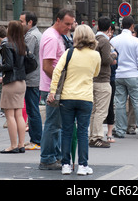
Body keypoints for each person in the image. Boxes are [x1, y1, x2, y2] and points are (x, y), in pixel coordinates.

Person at [47, 24, 101, 175]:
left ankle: (66, 164)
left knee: (66, 131)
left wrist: (52, 91)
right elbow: (95, 73)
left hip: (67, 97)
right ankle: (83, 166)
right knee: (83, 132)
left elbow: (57, 72)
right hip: (85, 98)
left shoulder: (69, 52)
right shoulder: (95, 55)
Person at [39, 8, 75, 170]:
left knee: (56, 124)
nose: (69, 27)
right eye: (66, 24)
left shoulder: (57, 36)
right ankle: (47, 158)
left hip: (54, 87)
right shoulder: (52, 38)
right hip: (52, 88)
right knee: (53, 124)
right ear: (58, 20)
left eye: (71, 24)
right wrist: (59, 84)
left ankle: (54, 156)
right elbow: (47, 66)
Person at [110, 16, 138, 139]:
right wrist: (137, 69)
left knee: (120, 103)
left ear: (122, 25)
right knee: (137, 102)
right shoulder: (135, 41)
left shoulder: (114, 40)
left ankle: (120, 130)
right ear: (132, 26)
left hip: (118, 75)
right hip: (132, 74)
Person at [0, 21, 27, 153]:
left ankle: (13, 145)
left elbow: (8, 66)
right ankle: (21, 144)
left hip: (11, 82)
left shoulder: (7, 45)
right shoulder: (22, 45)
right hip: (21, 82)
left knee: (10, 116)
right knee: (19, 114)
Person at [89, 16, 116, 148]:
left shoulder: (93, 39)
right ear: (109, 28)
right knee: (101, 111)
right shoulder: (104, 41)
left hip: (93, 79)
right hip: (103, 79)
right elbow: (105, 59)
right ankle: (97, 137)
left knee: (94, 110)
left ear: (98, 26)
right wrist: (113, 57)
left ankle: (92, 135)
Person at [19, 11, 43, 150]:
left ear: (29, 22)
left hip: (32, 78)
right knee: (33, 108)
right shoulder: (36, 34)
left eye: (22, 21)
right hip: (35, 77)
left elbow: (26, 56)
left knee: (32, 109)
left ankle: (36, 140)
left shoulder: (32, 36)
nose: (20, 23)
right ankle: (36, 139)